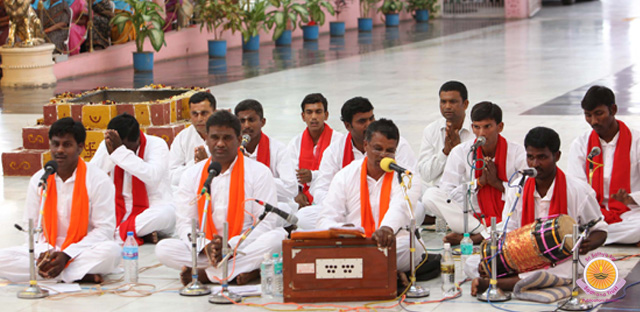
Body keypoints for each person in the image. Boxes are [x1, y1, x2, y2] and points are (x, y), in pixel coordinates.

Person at [471, 127, 607, 296]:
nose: (535, 164)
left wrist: (589, 243)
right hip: (523, 252)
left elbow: (600, 230)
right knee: (474, 262)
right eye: (530, 157)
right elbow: (508, 228)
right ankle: (508, 279)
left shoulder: (578, 190)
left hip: (561, 258)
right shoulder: (517, 187)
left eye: (542, 157)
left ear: (556, 156)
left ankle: (497, 283)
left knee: (562, 269)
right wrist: (494, 256)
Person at [155, 111, 286, 285]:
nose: (220, 143)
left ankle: (206, 275)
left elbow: (265, 222)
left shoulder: (259, 172)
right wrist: (205, 246)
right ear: (206, 140)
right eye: (214, 137)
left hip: (243, 245)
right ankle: (242, 270)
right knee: (164, 249)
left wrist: (231, 246)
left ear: (239, 140)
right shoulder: (192, 175)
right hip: (207, 250)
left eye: (227, 138)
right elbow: (186, 223)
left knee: (278, 238)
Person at [0, 118, 120, 283]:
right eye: (55, 144)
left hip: (82, 249)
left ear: (80, 147)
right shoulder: (39, 179)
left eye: (67, 145)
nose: (59, 150)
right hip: (45, 250)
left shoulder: (98, 179)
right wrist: (46, 252)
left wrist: (67, 254)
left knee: (112, 252)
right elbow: (33, 228)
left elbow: (104, 230)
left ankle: (52, 274)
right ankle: (75, 275)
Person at [317, 119, 424, 275]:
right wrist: (340, 230)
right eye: (378, 148)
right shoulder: (346, 175)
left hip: (390, 242)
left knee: (412, 249)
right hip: (353, 244)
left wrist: (386, 229)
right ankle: (385, 273)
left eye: (389, 151)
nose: (383, 155)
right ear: (366, 145)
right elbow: (326, 216)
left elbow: (399, 208)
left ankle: (358, 271)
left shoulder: (405, 176)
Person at [436, 101, 526, 245]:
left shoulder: (517, 153)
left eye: (487, 127)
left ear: (500, 127)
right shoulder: (461, 152)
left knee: (522, 213)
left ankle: (477, 237)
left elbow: (525, 194)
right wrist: (478, 183)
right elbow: (448, 193)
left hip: (506, 218)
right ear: (472, 128)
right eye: (477, 127)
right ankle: (482, 232)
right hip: (472, 219)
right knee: (431, 195)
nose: (482, 133)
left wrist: (497, 184)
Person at [567, 85, 640, 245]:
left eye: (599, 114)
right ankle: (602, 235)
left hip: (630, 213)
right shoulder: (581, 144)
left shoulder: (637, 141)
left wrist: (630, 198)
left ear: (613, 109)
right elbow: (576, 186)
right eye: (588, 115)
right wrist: (591, 210)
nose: (594, 121)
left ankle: (593, 237)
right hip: (592, 213)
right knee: (568, 221)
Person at [91, 113, 175, 244]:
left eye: (128, 148)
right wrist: (110, 153)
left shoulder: (157, 144)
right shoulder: (109, 144)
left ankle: (115, 234)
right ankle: (138, 233)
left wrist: (120, 153)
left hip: (152, 208)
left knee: (167, 214)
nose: (126, 151)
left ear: (137, 140)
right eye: (121, 147)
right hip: (117, 209)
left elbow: (152, 176)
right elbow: (93, 174)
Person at [234, 99, 298, 225]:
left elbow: (291, 188)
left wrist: (256, 174)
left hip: (272, 206)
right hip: (241, 207)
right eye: (242, 121)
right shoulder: (232, 152)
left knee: (282, 210)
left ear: (262, 122)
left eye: (251, 120)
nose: (246, 125)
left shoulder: (278, 149)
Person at [286, 93, 344, 228]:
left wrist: (313, 175)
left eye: (318, 112)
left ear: (326, 115)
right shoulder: (295, 143)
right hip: (302, 200)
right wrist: (297, 193)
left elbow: (342, 174)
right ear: (303, 116)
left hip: (330, 198)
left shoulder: (339, 140)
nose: (314, 117)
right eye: (309, 112)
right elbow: (289, 175)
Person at [419, 81, 474, 219]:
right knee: (413, 187)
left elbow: (475, 174)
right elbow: (425, 175)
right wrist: (445, 153)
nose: (447, 106)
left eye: (453, 102)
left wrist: (458, 152)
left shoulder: (476, 130)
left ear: (465, 104)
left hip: (467, 192)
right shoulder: (431, 130)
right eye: (443, 102)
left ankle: (445, 218)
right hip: (439, 193)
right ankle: (450, 217)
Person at [169, 91, 216, 190]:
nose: (199, 119)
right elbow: (171, 177)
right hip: (190, 192)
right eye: (195, 114)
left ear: (214, 113)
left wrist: (207, 164)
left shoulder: (226, 135)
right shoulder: (183, 137)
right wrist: (196, 165)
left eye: (204, 113)